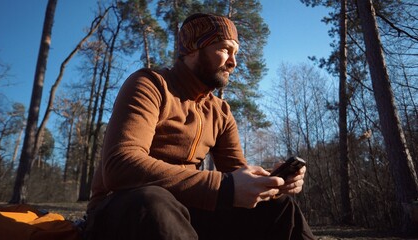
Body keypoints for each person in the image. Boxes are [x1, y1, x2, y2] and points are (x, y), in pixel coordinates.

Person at [84, 13, 316, 240]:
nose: (233, 62)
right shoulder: (150, 85)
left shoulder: (220, 112)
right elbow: (121, 165)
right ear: (193, 48)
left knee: (281, 209)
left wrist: (271, 183)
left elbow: (236, 175)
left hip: (189, 212)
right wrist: (225, 187)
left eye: (236, 53)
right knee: (154, 202)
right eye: (225, 49)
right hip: (123, 210)